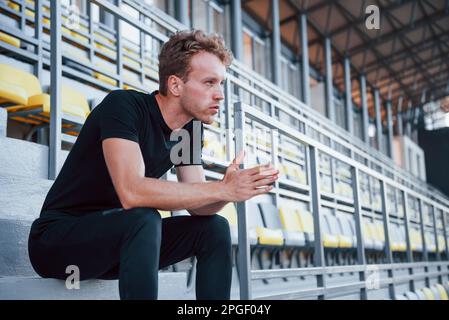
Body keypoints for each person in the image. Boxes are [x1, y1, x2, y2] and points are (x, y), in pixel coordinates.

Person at [28, 30, 279, 300]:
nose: (220, 95)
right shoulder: (123, 106)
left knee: (214, 228)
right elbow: (131, 192)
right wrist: (222, 189)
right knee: (143, 217)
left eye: (221, 84)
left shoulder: (190, 129)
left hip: (120, 245)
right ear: (175, 85)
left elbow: (198, 203)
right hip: (59, 245)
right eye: (209, 83)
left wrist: (234, 190)